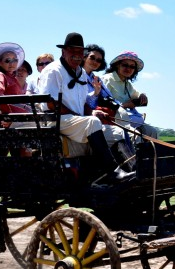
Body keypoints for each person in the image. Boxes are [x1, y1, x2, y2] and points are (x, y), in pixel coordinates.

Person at [38, 32, 132, 185]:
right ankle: (113, 172)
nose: (76, 55)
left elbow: (82, 103)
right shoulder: (53, 70)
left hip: (76, 121)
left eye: (80, 52)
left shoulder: (81, 73)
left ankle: (132, 171)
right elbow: (50, 103)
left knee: (117, 132)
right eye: (72, 51)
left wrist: (92, 112)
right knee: (92, 123)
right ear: (63, 51)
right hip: (56, 120)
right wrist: (81, 117)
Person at [100, 51, 158, 138]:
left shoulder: (127, 84)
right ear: (117, 65)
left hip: (131, 121)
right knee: (135, 136)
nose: (128, 68)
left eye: (132, 66)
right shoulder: (106, 79)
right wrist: (125, 105)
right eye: (125, 65)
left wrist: (143, 94)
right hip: (114, 121)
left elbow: (137, 94)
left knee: (152, 131)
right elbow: (101, 104)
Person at [0, 42, 29, 114]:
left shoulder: (13, 78)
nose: (12, 64)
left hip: (22, 117)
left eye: (15, 60)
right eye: (7, 60)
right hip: (16, 119)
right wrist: (7, 115)